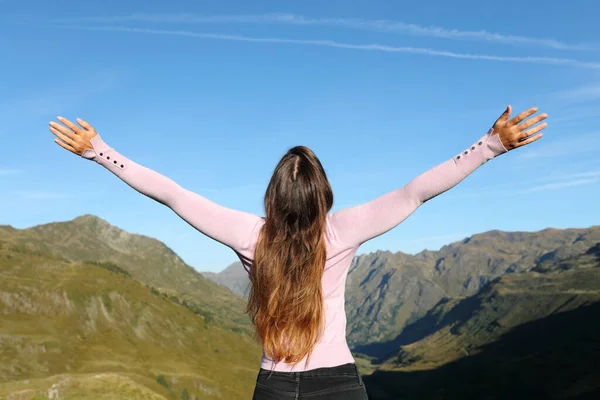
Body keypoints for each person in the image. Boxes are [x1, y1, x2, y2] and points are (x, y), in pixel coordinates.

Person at [48, 105, 547, 399]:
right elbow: (416, 191)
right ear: (322, 194)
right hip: (340, 386)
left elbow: (173, 193)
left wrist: (99, 151)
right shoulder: (342, 230)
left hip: (274, 389)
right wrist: (489, 146)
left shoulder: (251, 235)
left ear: (273, 197)